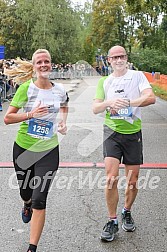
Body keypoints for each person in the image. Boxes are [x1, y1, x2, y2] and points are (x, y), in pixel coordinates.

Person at [4, 49, 69, 252]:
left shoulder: (59, 90)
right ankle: (26, 203)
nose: (43, 65)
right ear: (34, 66)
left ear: (51, 64)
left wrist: (62, 122)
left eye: (46, 61)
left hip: (48, 150)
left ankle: (32, 248)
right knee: (26, 192)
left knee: (40, 199)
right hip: (24, 149)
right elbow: (8, 118)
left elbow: (65, 105)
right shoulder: (26, 89)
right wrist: (31, 114)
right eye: (39, 62)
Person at [93, 45, 156, 242]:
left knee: (133, 180)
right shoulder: (105, 81)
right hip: (111, 132)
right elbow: (95, 108)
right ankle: (112, 221)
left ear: (126, 58)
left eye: (122, 56)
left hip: (132, 133)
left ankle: (126, 211)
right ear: (109, 61)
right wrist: (108, 103)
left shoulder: (137, 76)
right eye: (115, 57)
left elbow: (151, 98)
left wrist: (129, 103)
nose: (119, 60)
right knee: (111, 178)